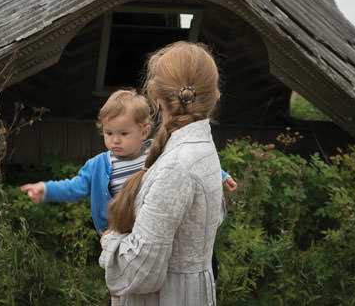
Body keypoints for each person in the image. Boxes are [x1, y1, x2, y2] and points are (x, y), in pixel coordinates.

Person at [100, 41, 226, 305]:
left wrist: (109, 242)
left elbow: (141, 272)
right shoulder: (201, 147)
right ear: (213, 95)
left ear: (156, 96)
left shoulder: (177, 164)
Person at [20, 88, 237, 237]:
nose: (115, 140)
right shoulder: (98, 166)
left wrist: (220, 175)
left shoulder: (158, 151)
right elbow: (74, 188)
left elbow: (189, 162)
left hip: (155, 230)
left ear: (143, 131)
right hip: (118, 236)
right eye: (108, 132)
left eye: (123, 133)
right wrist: (46, 189)